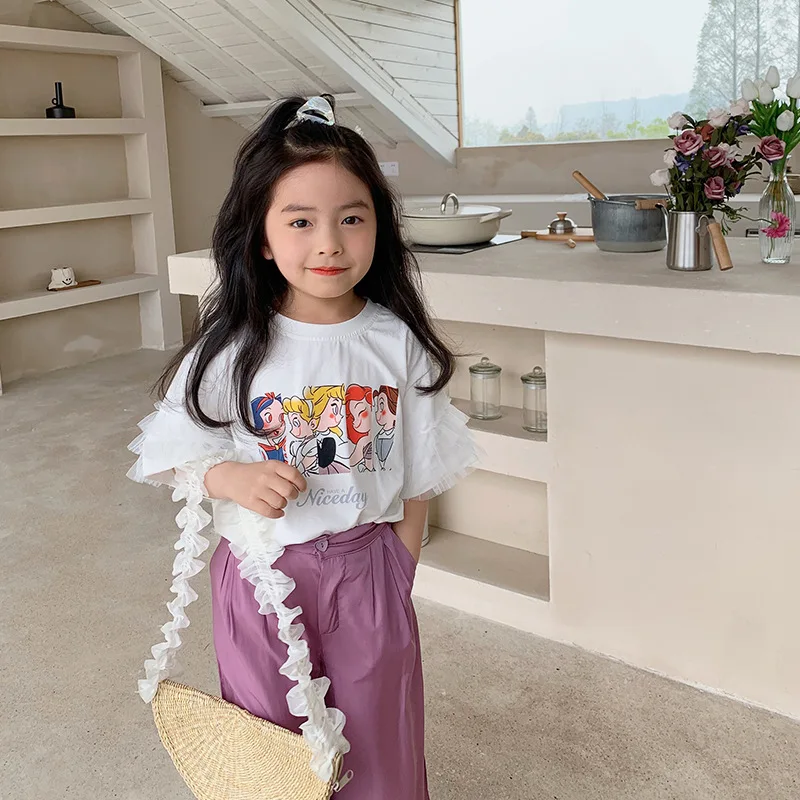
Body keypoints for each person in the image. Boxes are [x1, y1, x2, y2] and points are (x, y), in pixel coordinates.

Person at [127, 94, 478, 799]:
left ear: (378, 226)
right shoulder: (234, 347)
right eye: (300, 221)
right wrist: (228, 477)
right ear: (261, 237)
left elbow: (420, 468)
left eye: (352, 218)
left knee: (378, 735)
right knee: (273, 745)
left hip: (369, 569)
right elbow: (165, 452)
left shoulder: (395, 341)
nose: (329, 243)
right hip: (260, 577)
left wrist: (400, 562)